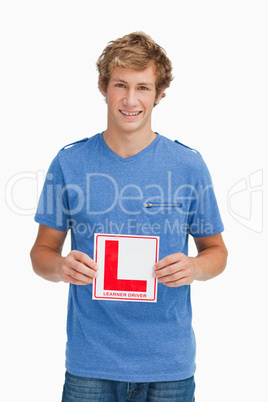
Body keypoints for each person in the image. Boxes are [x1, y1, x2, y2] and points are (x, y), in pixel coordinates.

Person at [30, 32, 228, 402]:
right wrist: (60, 267)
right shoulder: (70, 162)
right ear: (103, 87)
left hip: (168, 366)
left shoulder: (188, 165)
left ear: (159, 94)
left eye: (143, 87)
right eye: (120, 85)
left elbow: (216, 251)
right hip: (91, 367)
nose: (131, 100)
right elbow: (41, 252)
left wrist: (194, 267)